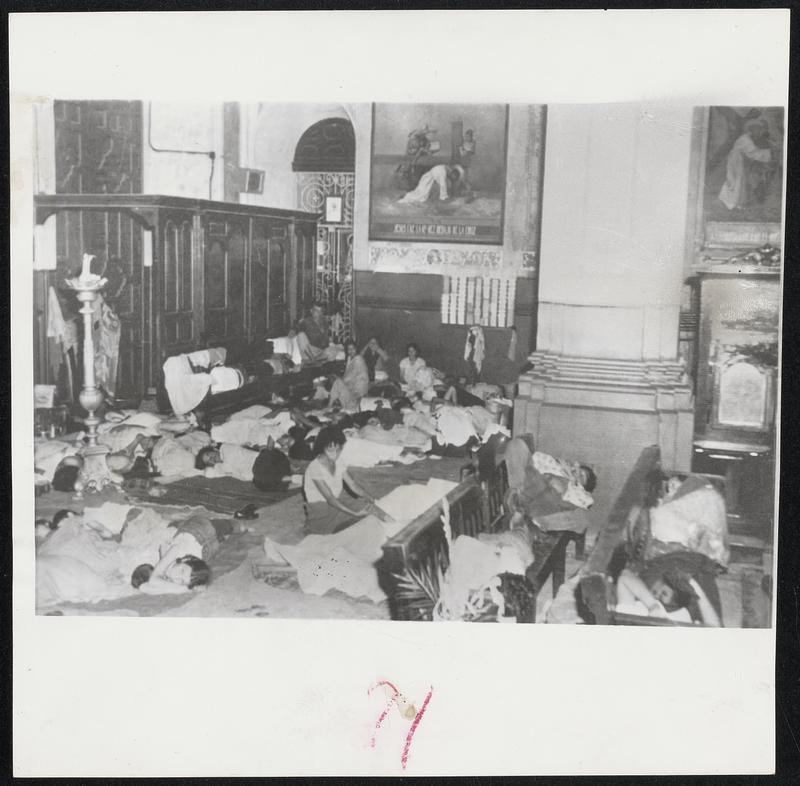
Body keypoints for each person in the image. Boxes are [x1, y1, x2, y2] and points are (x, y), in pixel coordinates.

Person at [302, 425, 393, 535]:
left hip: (340, 499)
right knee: (360, 525)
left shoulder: (339, 461)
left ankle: (395, 527)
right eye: (330, 450)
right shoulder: (314, 468)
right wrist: (354, 513)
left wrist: (371, 499)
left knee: (372, 509)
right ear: (322, 447)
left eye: (338, 449)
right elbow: (330, 499)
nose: (335, 454)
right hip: (323, 510)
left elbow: (353, 485)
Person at [131, 514, 231, 594]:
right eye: (182, 581)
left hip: (198, 528)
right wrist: (194, 585)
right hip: (208, 549)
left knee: (226, 526)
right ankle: (226, 531)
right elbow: (152, 583)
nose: (176, 576)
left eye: (182, 571)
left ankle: (227, 526)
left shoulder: (175, 551)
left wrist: (183, 589)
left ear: (184, 560)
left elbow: (153, 581)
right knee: (223, 536)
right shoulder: (181, 570)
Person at [718, 117, 776, 211]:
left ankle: (737, 204)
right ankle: (730, 202)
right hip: (736, 162)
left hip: (739, 161)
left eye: (760, 130)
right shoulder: (745, 139)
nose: (759, 132)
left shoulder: (749, 138)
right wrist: (769, 153)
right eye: (758, 130)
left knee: (739, 182)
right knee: (735, 182)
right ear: (752, 129)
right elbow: (753, 153)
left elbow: (752, 152)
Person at [195, 443, 294, 492]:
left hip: (265, 459)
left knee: (262, 475)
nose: (212, 458)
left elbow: (229, 468)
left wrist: (219, 467)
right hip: (260, 474)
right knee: (260, 483)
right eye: (209, 461)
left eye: (209, 454)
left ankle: (290, 475)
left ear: (213, 449)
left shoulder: (225, 448)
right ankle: (290, 477)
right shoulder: (220, 467)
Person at [328, 340, 370, 411]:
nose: (351, 351)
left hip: (358, 394)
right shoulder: (350, 359)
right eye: (349, 349)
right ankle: (331, 405)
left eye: (353, 348)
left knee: (338, 382)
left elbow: (347, 378)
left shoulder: (358, 359)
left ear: (356, 349)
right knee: (337, 382)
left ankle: (330, 405)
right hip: (352, 390)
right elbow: (348, 377)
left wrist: (337, 378)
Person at [398, 164, 464, 204]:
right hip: (427, 180)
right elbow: (442, 185)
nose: (452, 179)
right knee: (420, 196)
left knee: (418, 193)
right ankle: (403, 199)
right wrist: (444, 197)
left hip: (427, 178)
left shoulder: (444, 169)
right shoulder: (443, 171)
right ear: (453, 173)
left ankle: (405, 195)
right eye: (453, 177)